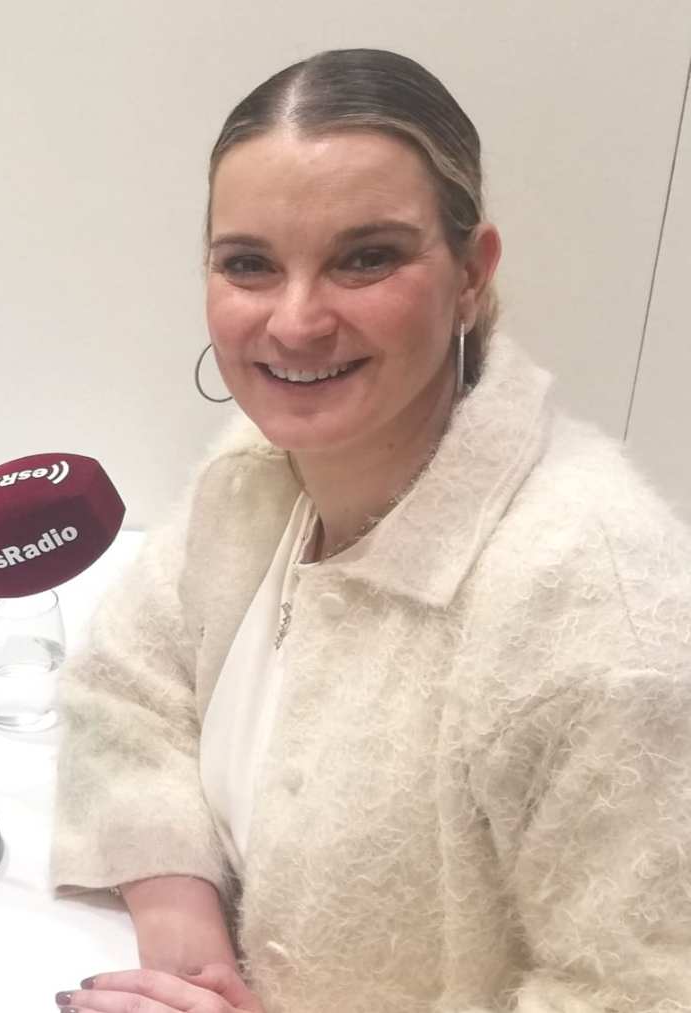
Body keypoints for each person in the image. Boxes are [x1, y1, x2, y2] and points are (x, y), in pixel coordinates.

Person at [51, 49, 691, 1012]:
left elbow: (647, 988)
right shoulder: (255, 477)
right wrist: (182, 921)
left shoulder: (601, 617)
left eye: (366, 258)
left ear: (471, 275)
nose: (297, 322)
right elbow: (128, 689)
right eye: (250, 265)